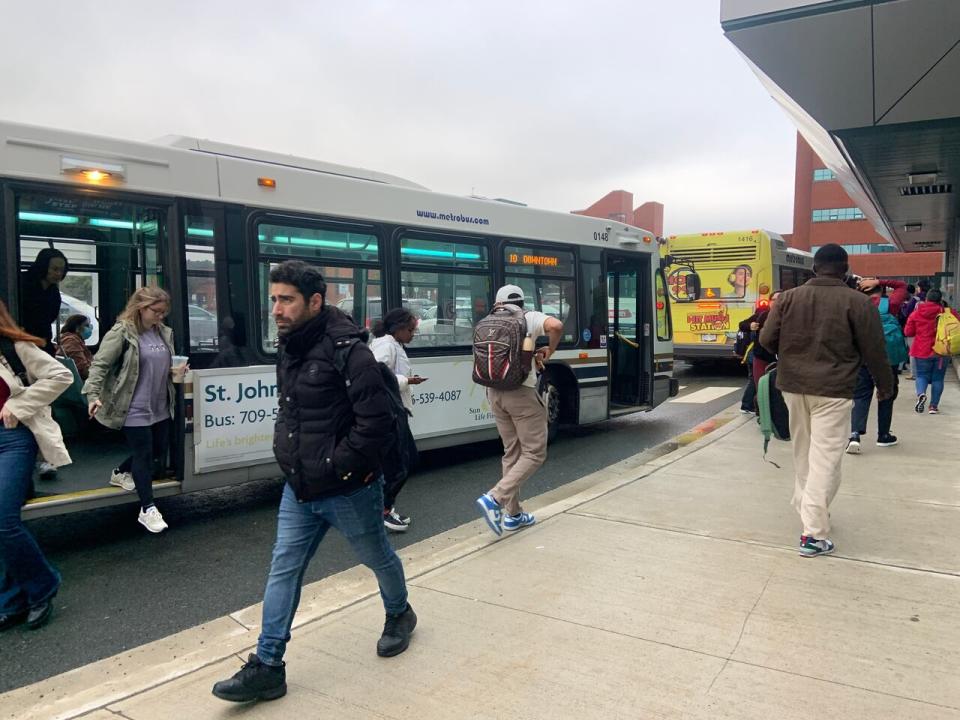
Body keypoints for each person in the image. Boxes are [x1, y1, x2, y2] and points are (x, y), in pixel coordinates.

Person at [212, 261, 415, 703]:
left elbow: (376, 424)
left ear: (315, 302)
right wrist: (287, 456)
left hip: (348, 488)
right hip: (299, 486)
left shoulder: (351, 352)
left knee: (376, 555)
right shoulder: (290, 347)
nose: (277, 309)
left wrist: (337, 465)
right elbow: (292, 410)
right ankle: (268, 666)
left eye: (287, 300)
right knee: (283, 569)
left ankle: (400, 613)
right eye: (274, 300)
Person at [759, 244, 892, 557]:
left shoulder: (789, 298)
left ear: (814, 269)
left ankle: (808, 510)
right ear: (844, 269)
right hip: (833, 390)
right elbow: (875, 350)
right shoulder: (858, 302)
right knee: (826, 460)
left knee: (804, 454)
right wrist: (885, 386)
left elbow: (766, 340)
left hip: (792, 386)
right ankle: (813, 534)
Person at [0, 299, 72, 631]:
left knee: (4, 520)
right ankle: (12, 599)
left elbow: (61, 375)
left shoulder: (14, 347)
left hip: (12, 439)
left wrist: (20, 405)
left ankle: (42, 585)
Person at [83, 287, 179, 533]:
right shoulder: (122, 332)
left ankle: (119, 472)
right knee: (144, 454)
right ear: (140, 307)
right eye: (156, 311)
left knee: (159, 449)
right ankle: (147, 509)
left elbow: (158, 365)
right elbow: (99, 366)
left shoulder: (163, 333)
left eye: (163, 312)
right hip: (132, 405)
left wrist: (175, 372)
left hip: (159, 404)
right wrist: (93, 396)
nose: (160, 316)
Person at [475, 285, 563, 536]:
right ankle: (495, 498)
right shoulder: (528, 316)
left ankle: (513, 515)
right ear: (521, 301)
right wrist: (549, 349)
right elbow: (555, 326)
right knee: (534, 453)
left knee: (511, 452)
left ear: (498, 302)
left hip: (493, 392)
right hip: (521, 393)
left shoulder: (487, 320)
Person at [370, 308, 424, 532]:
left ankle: (385, 508)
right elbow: (376, 374)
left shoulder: (395, 344)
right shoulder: (386, 345)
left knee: (404, 461)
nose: (413, 334)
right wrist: (407, 380)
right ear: (399, 328)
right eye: (411, 330)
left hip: (396, 411)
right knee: (400, 464)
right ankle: (383, 511)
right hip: (390, 413)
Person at [845, 277, 909, 454]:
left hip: (863, 356)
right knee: (886, 394)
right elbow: (901, 284)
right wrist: (878, 280)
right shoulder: (890, 304)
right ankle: (883, 435)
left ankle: (855, 435)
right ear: (879, 290)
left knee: (860, 395)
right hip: (887, 358)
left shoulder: (855, 304)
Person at [904, 288, 959, 414]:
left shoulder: (916, 313)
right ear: (940, 300)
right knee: (938, 379)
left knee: (921, 375)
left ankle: (921, 394)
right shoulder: (949, 313)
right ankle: (933, 407)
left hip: (921, 350)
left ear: (926, 299)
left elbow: (908, 332)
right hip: (942, 350)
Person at [20, 248, 68, 355]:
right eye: (55, 269)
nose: (59, 274)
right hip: (22, 340)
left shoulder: (53, 291)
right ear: (43, 267)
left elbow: (50, 318)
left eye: (62, 270)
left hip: (43, 341)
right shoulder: (21, 283)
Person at [57, 314, 94, 380]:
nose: (90, 328)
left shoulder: (70, 339)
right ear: (77, 328)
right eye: (86, 325)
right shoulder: (71, 342)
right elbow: (83, 371)